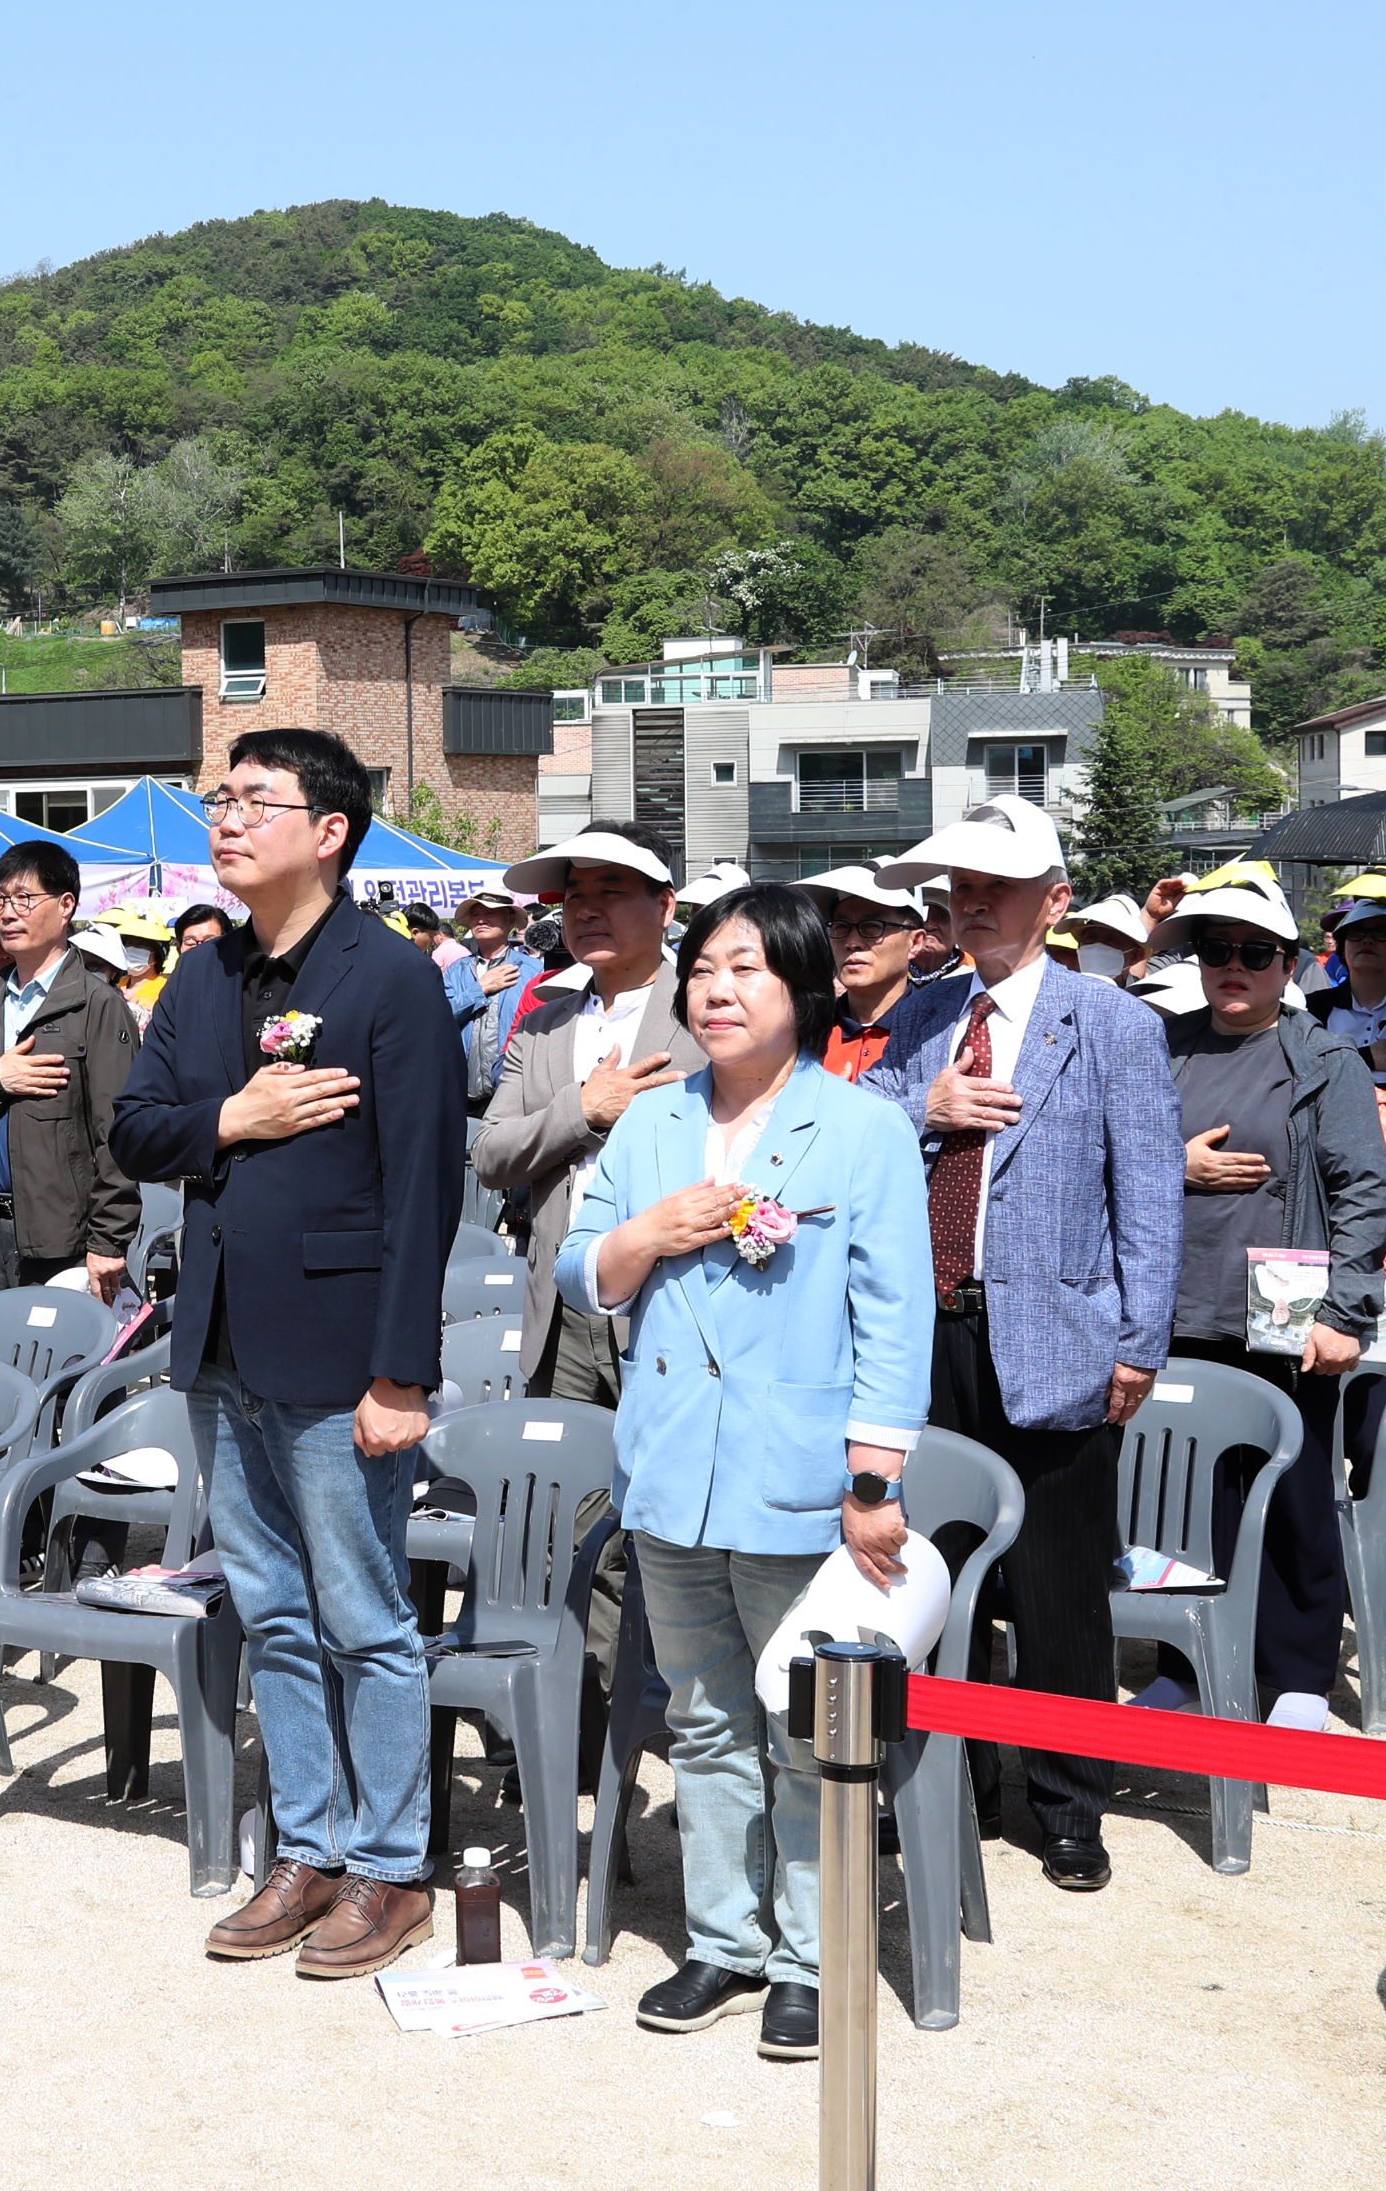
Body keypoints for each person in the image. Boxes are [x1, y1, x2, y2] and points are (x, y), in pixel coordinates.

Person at [110, 727, 466, 1981]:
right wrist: (233, 1117)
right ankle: (307, 1845)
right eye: (221, 796)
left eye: (258, 799)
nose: (228, 818)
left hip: (338, 1350)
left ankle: (390, 1864)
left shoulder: (390, 979)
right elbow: (138, 1128)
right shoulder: (204, 975)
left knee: (365, 1613)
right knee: (269, 1609)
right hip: (218, 1343)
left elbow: (427, 1186)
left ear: (330, 830)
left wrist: (402, 1372)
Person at [559, 881, 928, 2055]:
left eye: (748, 969)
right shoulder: (652, 1120)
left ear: (808, 989)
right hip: (670, 1467)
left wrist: (872, 1481)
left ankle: (813, 1956)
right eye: (706, 967)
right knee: (707, 1717)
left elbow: (893, 1312)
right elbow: (580, 1270)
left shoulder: (863, 1128)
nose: (717, 989)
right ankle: (723, 1937)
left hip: (802, 1475)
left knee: (808, 1728)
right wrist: (643, 1237)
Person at [858, 795, 1180, 1892]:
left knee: (1057, 1587)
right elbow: (861, 1144)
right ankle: (934, 1779)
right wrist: (925, 1106)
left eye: (996, 886)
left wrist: (1139, 1341)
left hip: (1057, 1335)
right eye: (959, 885)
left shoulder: (1113, 1021)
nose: (972, 903)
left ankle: (1068, 1799)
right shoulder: (917, 1018)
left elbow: (1148, 1194)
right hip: (924, 1334)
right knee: (923, 1576)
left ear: (1056, 900)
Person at [1141, 876, 1386, 1731]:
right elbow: (1114, 1151)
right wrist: (1175, 1167)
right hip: (1174, 1298)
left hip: (1284, 1295)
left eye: (1255, 954)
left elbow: (1364, 1193)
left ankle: (1297, 1673)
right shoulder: (1162, 1043)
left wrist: (1344, 1311)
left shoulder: (1322, 1058)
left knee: (1290, 1488)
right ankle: (1185, 1661)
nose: (1234, 969)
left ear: (1289, 965)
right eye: (1217, 952)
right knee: (1183, 1495)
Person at [473, 826, 701, 1406]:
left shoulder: (709, 1015)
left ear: (665, 907)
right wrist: (583, 1111)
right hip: (560, 1312)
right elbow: (491, 1155)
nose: (588, 910)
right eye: (575, 895)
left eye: (612, 890)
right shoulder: (542, 1026)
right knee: (568, 1486)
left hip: (675, 1305)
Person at [0, 840, 142, 1304]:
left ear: (66, 905)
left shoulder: (97, 1004)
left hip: (65, 1242)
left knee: (63, 1372)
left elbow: (119, 1132)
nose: (7, 913)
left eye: (23, 899)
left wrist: (108, 1240)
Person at [803, 864, 926, 1081]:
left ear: (915, 942)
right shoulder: (806, 1029)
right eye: (841, 927)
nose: (852, 942)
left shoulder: (938, 1030)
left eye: (872, 926)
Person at [445, 883, 529, 1114]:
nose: (481, 920)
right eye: (476, 915)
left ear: (510, 921)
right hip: (462, 1089)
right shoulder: (456, 971)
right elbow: (439, 1016)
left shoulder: (532, 970)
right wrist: (479, 989)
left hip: (513, 1089)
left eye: (490, 913)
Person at [1317, 895, 1386, 1076]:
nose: (1367, 940)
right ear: (1343, 946)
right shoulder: (1314, 1007)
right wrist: (1366, 1057)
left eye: (1382, 933)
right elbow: (1301, 1067)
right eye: (1356, 932)